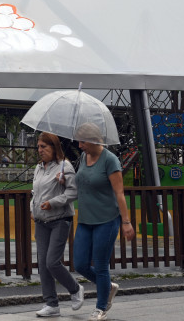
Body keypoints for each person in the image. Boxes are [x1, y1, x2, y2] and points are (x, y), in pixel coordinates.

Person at [72, 123, 135, 321]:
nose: (79, 145)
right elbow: (82, 182)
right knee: (80, 263)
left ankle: (101, 307)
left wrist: (126, 222)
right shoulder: (84, 156)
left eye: (82, 141)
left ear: (93, 140)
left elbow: (119, 192)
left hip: (107, 220)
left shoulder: (110, 160)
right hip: (85, 219)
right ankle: (108, 286)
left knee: (100, 265)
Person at [31, 132, 84, 317]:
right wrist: (33, 208)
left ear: (54, 148)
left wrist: (53, 202)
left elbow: (73, 192)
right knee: (43, 265)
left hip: (60, 220)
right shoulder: (39, 168)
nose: (40, 150)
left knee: (52, 262)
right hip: (41, 221)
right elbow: (34, 192)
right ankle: (51, 304)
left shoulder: (65, 166)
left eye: (44, 147)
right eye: (38, 147)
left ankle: (75, 289)